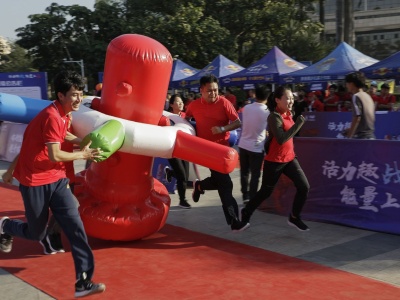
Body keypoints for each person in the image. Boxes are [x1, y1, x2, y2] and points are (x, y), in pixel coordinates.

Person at [0, 70, 106, 298]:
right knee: (35, 233)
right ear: (60, 95)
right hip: (35, 181)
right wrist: (83, 154)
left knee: (76, 228)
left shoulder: (64, 114)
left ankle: (83, 282)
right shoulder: (50, 116)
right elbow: (55, 154)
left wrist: (83, 141)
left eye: (80, 93)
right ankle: (6, 226)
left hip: (57, 180)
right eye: (74, 95)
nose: (79, 99)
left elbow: (64, 136)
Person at [241, 86, 310, 231]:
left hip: (290, 158)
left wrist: (295, 121)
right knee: (265, 192)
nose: (291, 100)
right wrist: (298, 124)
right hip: (275, 160)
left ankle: (294, 217)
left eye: (292, 98)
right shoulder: (274, 117)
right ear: (278, 100)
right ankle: (246, 212)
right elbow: (281, 139)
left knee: (304, 186)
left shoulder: (289, 113)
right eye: (287, 98)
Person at [185, 74, 249, 232]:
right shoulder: (194, 105)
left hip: (222, 150)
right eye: (209, 91)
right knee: (225, 184)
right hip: (206, 150)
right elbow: (185, 119)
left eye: (215, 90)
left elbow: (237, 122)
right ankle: (234, 222)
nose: (213, 94)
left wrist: (222, 129)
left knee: (220, 182)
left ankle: (200, 185)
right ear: (201, 90)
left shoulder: (224, 103)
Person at [238, 85, 270, 204]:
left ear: (255, 95)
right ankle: (252, 197)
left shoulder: (247, 108)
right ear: (267, 97)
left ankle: (245, 195)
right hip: (256, 146)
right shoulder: (267, 111)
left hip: (243, 144)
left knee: (244, 172)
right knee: (255, 175)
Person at [164, 94, 191, 209]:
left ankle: (170, 173)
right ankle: (182, 200)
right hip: (172, 149)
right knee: (182, 175)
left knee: (185, 175)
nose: (181, 104)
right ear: (171, 105)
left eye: (182, 102)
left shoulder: (186, 117)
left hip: (185, 149)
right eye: (178, 102)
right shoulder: (167, 118)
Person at [343, 72, 375, 139]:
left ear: (351, 84)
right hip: (371, 136)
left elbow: (357, 117)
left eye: (347, 83)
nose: (346, 86)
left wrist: (350, 136)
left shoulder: (356, 96)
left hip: (361, 137)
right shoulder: (368, 96)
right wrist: (351, 129)